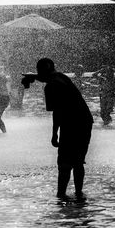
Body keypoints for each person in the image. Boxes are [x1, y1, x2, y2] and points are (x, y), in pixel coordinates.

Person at [22, 58, 93, 200]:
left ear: (42, 70)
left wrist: (54, 134)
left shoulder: (51, 86)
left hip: (72, 123)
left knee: (64, 163)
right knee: (78, 161)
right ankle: (79, 194)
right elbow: (48, 77)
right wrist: (34, 77)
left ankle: (61, 196)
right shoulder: (61, 76)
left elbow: (57, 112)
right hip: (84, 120)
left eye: (38, 71)